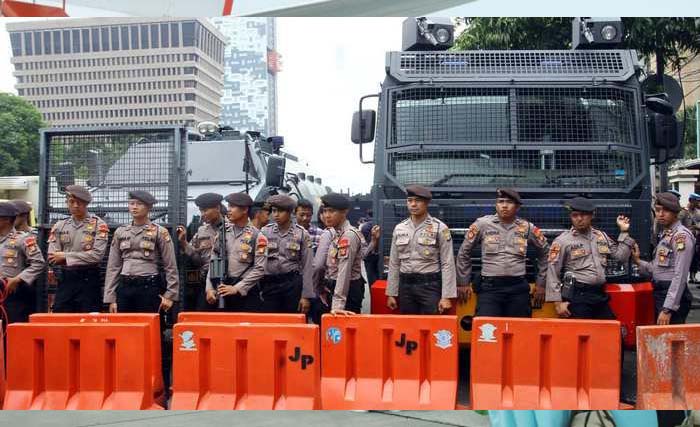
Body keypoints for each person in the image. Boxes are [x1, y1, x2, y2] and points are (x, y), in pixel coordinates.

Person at [456, 188, 549, 317]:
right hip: (489, 288)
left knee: (519, 330)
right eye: (500, 201)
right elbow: (464, 253)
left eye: (509, 202)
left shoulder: (527, 227)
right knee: (487, 329)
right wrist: (463, 282)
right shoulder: (482, 224)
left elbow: (546, 253)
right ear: (496, 205)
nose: (504, 206)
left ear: (517, 207)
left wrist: (541, 284)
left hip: (518, 288)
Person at [545, 197, 634, 320]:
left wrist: (624, 232)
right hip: (577, 297)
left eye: (583, 215)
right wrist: (557, 302)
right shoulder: (562, 241)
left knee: (612, 333)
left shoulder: (601, 236)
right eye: (575, 215)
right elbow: (552, 271)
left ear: (592, 215)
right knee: (583, 336)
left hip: (599, 295)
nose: (579, 219)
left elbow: (621, 257)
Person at [103, 190, 179, 315]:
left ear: (149, 207)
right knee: (124, 328)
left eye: (139, 204)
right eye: (131, 203)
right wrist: (110, 298)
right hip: (124, 286)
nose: (134, 207)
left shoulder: (160, 232)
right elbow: (113, 266)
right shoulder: (120, 232)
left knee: (150, 329)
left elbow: (170, 265)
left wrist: (170, 295)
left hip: (149, 287)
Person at [386, 185, 456, 314]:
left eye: (417, 201)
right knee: (408, 329)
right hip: (405, 286)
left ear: (427, 203)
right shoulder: (399, 228)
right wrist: (391, 293)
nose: (413, 204)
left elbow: (448, 263)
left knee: (431, 327)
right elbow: (394, 263)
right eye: (410, 200)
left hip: (430, 286)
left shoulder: (440, 228)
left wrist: (446, 296)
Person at [631, 192, 694, 325]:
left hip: (671, 296)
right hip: (661, 293)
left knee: (670, 340)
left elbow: (680, 275)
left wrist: (668, 309)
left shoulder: (680, 237)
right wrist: (638, 261)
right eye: (658, 210)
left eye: (666, 211)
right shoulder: (666, 234)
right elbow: (657, 268)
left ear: (675, 213)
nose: (660, 214)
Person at [48, 185, 108, 313]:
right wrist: (82, 257)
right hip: (66, 279)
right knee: (61, 320)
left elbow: (96, 255)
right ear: (67, 203)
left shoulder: (99, 225)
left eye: (79, 202)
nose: (75, 205)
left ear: (86, 204)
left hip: (89, 280)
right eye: (71, 202)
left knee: (89, 322)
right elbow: (53, 256)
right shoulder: (59, 226)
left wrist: (65, 256)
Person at [204, 192, 267, 312]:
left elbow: (260, 269)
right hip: (222, 289)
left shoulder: (257, 236)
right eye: (228, 206)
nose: (229, 210)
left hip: (245, 293)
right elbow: (214, 262)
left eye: (232, 207)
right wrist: (209, 288)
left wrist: (237, 288)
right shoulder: (223, 233)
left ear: (244, 210)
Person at [259, 195, 314, 313]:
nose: (276, 215)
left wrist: (306, 296)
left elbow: (308, 266)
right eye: (274, 211)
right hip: (270, 284)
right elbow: (258, 261)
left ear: (290, 212)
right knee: (270, 322)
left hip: (292, 284)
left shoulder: (301, 234)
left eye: (281, 211)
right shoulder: (265, 232)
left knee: (293, 321)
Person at [177, 192, 225, 311]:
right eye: (201, 211)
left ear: (218, 208)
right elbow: (196, 257)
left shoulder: (231, 228)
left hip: (227, 281)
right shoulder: (202, 231)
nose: (202, 215)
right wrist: (184, 242)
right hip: (206, 281)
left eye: (205, 211)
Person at [0, 202, 46, 324]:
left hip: (12, 293)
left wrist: (18, 279)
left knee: (12, 330)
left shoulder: (23, 239)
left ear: (6, 220)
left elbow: (38, 263)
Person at [321, 193, 365, 315]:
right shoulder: (336, 233)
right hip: (336, 287)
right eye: (324, 211)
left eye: (331, 211)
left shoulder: (348, 235)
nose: (327, 215)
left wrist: (338, 305)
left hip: (347, 291)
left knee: (343, 331)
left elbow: (344, 272)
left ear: (344, 212)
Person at [359, 208, 381, 288]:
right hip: (381, 255)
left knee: (371, 279)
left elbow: (362, 242)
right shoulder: (381, 223)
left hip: (369, 255)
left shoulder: (365, 226)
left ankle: (374, 298)